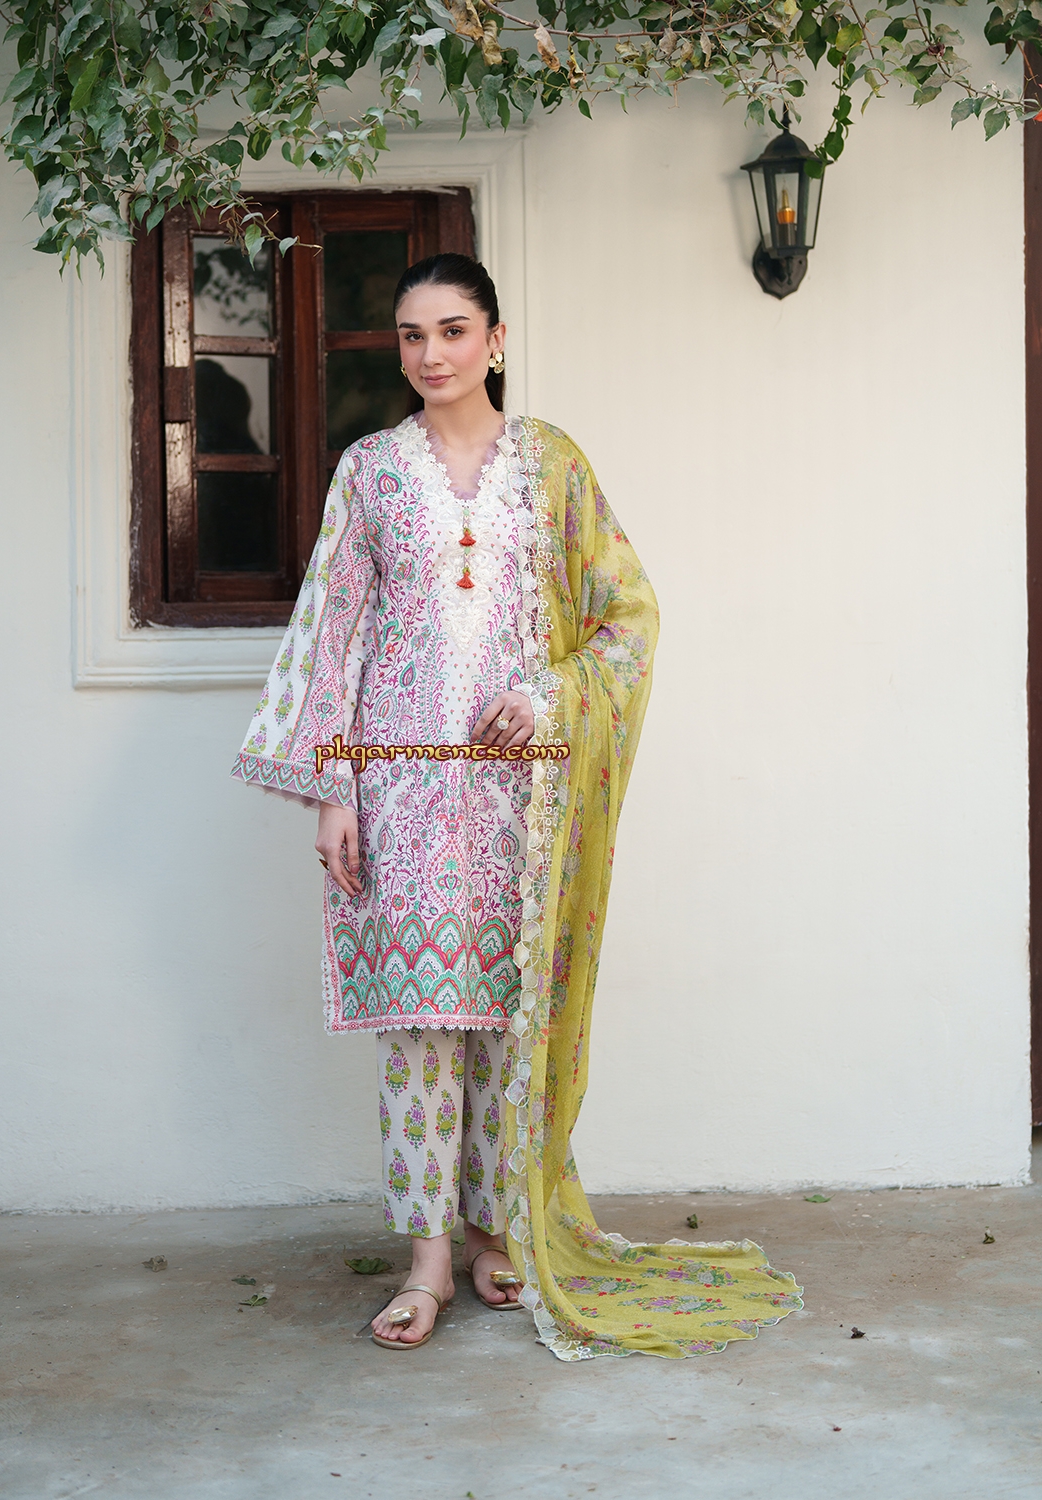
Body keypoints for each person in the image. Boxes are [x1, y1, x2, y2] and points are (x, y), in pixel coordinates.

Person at [233, 254, 802, 1360]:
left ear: (495, 339)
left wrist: (546, 691)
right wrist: (334, 790)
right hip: (400, 787)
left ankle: (499, 1233)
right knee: (419, 1025)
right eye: (411, 335)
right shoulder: (370, 472)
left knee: (508, 1014)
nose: (431, 354)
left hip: (519, 797)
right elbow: (333, 633)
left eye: (453, 330)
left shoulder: (552, 465)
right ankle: (426, 1263)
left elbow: (627, 614)